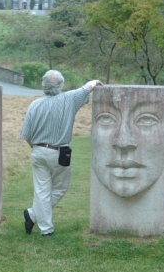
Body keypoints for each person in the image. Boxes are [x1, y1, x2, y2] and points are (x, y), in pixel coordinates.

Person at [20, 70, 102, 236]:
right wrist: (95, 81)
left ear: (43, 85)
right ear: (61, 85)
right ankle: (45, 227)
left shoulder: (34, 105)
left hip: (38, 150)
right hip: (59, 152)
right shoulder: (69, 99)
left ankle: (34, 215)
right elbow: (87, 87)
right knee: (59, 188)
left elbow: (26, 135)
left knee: (42, 190)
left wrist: (36, 147)